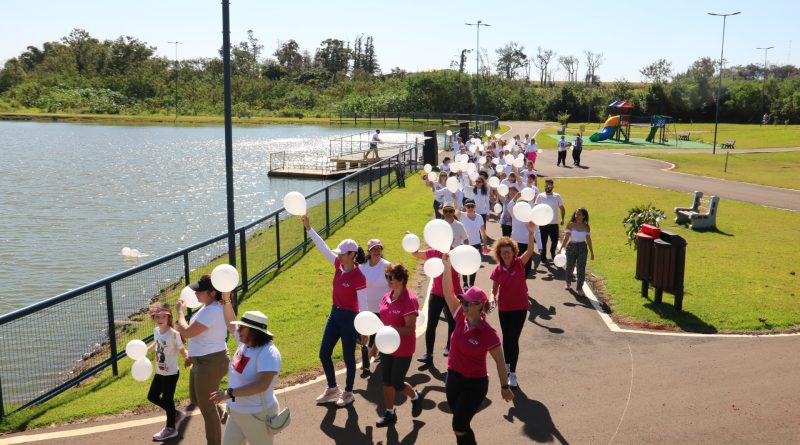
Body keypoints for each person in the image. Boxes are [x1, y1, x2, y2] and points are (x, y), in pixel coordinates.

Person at [441, 257, 513, 445]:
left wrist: (505, 387)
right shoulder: (459, 317)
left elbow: (499, 360)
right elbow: (448, 293)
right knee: (461, 426)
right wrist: (447, 267)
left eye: (467, 303)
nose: (463, 305)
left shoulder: (488, 333)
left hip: (475, 384)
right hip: (453, 378)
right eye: (463, 301)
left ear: (479, 305)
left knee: (458, 425)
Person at [302, 215, 367, 407]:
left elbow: (363, 306)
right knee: (324, 353)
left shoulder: (359, 277)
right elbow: (323, 247)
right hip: (335, 315)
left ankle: (348, 392)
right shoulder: (338, 264)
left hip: (350, 319)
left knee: (348, 357)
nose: (338, 255)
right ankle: (332, 388)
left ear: (352, 255)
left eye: (342, 253)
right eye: (338, 253)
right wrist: (309, 228)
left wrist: (363, 331)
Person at [209, 308, 282, 445]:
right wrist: (226, 300)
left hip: (257, 415)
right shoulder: (245, 344)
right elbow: (231, 325)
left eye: (242, 328)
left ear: (254, 332)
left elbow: (262, 385)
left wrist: (228, 394)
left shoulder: (268, 353)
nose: (238, 330)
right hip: (236, 413)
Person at [176, 275, 231, 445]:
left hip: (210, 362)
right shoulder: (208, 307)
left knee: (207, 410)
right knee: (196, 399)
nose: (196, 293)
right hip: (200, 361)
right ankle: (223, 413)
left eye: (200, 291)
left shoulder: (213, 311)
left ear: (212, 293)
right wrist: (191, 357)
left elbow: (187, 332)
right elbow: (196, 335)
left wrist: (179, 312)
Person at [375, 263, 423, 427]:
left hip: (403, 348)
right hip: (387, 346)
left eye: (390, 277)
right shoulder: (386, 297)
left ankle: (416, 397)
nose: (387, 280)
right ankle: (390, 413)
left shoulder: (409, 300)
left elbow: (409, 329)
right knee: (386, 381)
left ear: (401, 279)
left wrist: (391, 330)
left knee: (397, 382)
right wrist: (376, 346)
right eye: (386, 277)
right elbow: (382, 324)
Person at [490, 223, 536, 388]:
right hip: (504, 308)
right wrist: (492, 298)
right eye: (503, 252)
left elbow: (530, 251)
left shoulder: (519, 263)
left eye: (509, 251)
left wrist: (531, 233)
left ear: (513, 252)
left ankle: (513, 373)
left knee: (512, 338)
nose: (507, 254)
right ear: (499, 254)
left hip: (520, 308)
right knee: (507, 338)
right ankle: (508, 366)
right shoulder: (497, 269)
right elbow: (494, 288)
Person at [147, 303, 189, 441]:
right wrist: (146, 349)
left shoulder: (174, 334)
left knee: (167, 399)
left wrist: (187, 358)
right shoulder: (156, 331)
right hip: (159, 371)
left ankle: (171, 429)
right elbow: (156, 343)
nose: (160, 319)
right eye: (157, 317)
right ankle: (175, 413)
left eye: (163, 316)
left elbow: (182, 349)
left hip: (170, 373)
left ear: (169, 318)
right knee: (152, 396)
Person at [358, 239, 391, 373]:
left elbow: (393, 284)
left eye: (379, 249)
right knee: (364, 338)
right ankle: (368, 359)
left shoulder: (387, 266)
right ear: (369, 251)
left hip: (382, 309)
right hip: (366, 308)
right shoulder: (363, 266)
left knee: (377, 337)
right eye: (374, 249)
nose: (377, 252)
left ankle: (367, 362)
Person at [560, 208, 595, 297]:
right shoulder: (570, 225)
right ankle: (568, 282)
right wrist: (561, 248)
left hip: (582, 248)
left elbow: (588, 240)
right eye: (576, 214)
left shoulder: (586, 226)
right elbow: (566, 237)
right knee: (570, 267)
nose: (577, 216)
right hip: (571, 247)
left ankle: (579, 288)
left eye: (579, 214)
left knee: (581, 269)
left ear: (583, 216)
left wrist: (591, 252)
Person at [533, 179, 566, 265]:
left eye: (549, 186)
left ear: (552, 186)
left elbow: (562, 208)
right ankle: (543, 258)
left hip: (554, 223)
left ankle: (552, 252)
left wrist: (562, 219)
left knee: (554, 241)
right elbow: (536, 208)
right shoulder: (540, 196)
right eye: (546, 185)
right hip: (543, 223)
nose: (547, 187)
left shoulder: (557, 196)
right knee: (543, 241)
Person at [460, 199, 487, 288]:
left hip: (476, 245)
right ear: (465, 207)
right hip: (464, 245)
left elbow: (483, 232)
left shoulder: (479, 217)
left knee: (474, 265)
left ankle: (471, 285)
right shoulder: (462, 216)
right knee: (464, 264)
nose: (470, 208)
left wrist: (485, 245)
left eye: (472, 206)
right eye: (468, 206)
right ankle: (465, 283)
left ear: (475, 207)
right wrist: (456, 199)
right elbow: (452, 209)